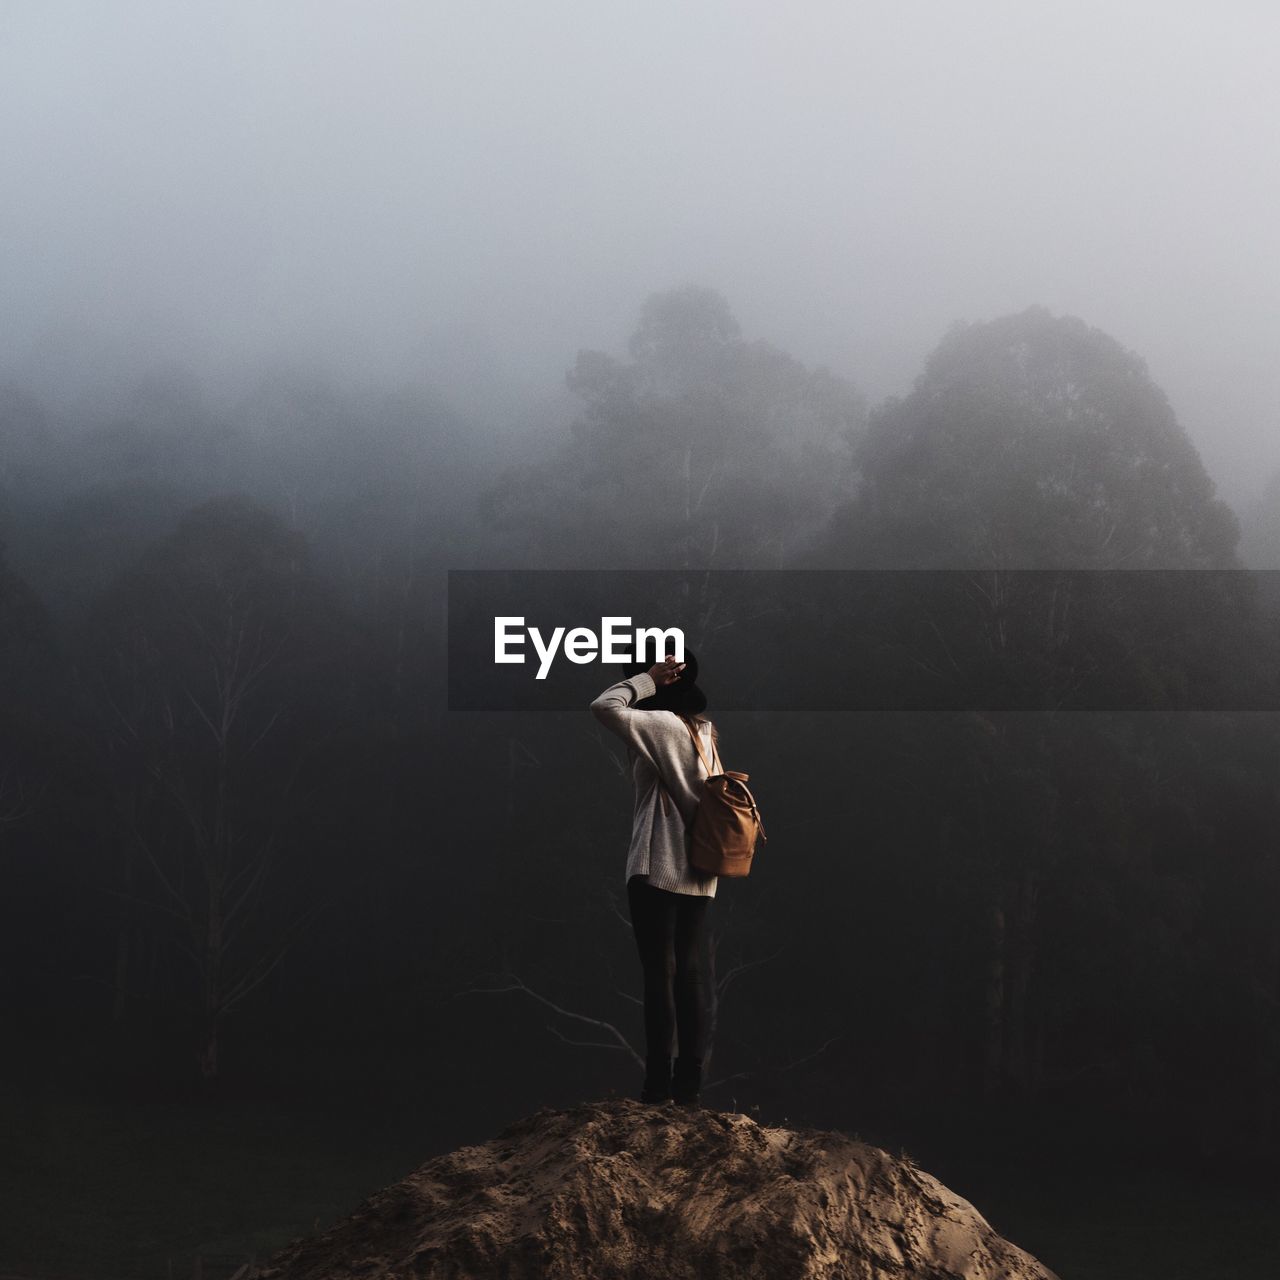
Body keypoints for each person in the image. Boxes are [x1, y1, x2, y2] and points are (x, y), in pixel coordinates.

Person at [590, 647, 720, 1107]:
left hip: (657, 862)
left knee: (658, 974)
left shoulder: (660, 725)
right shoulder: (704, 733)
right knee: (690, 973)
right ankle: (688, 1087)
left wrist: (646, 679)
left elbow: (604, 706)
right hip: (702, 869)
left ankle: (656, 1088)